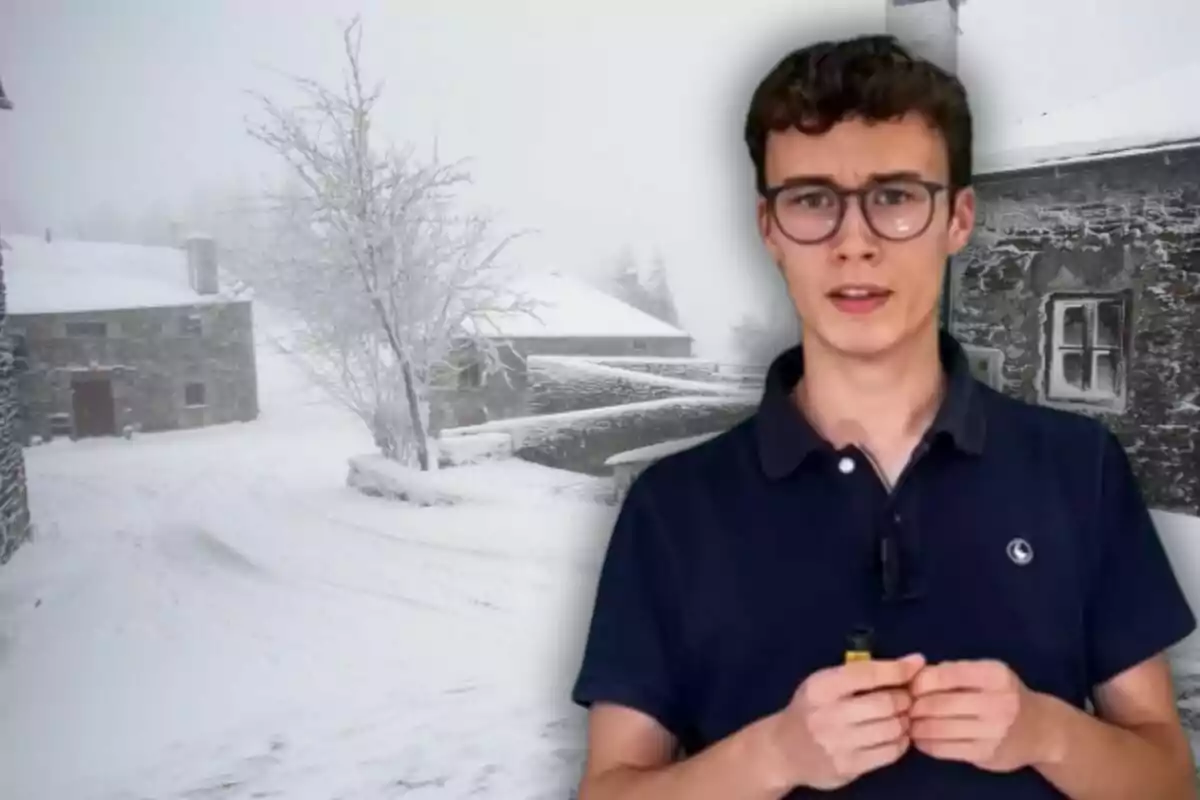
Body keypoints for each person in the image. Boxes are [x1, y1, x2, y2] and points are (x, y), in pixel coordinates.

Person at [569, 34, 1199, 799]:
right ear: (769, 229)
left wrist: (1047, 732)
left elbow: (1168, 781)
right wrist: (773, 754)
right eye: (811, 201)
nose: (854, 243)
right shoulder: (671, 509)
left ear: (958, 218)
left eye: (895, 197)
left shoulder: (1079, 470)